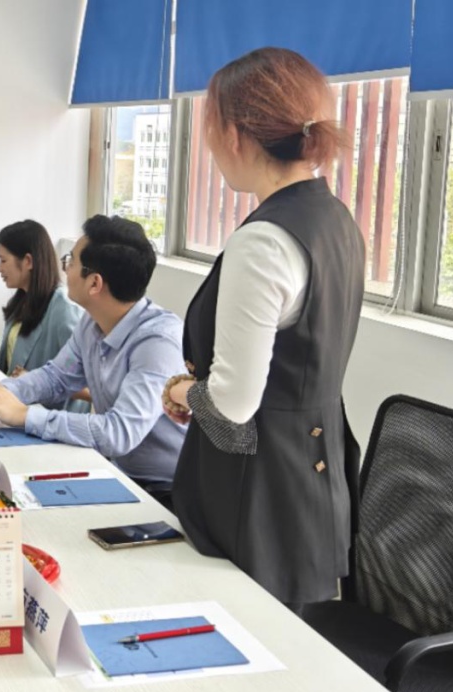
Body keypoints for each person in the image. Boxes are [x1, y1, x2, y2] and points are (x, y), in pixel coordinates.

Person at [163, 47, 364, 607]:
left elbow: (232, 406)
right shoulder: (335, 218)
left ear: (234, 134)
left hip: (259, 493)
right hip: (317, 478)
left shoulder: (263, 241)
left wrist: (181, 390)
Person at [0, 215, 187, 501]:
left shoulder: (157, 343)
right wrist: (5, 391)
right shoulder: (91, 323)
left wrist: (25, 415)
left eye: (71, 261)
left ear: (94, 283)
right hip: (120, 472)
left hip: (169, 492)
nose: (65, 269)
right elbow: (56, 377)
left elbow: (118, 433)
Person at [0, 219, 82, 378]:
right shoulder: (21, 301)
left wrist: (32, 378)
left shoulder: (64, 309)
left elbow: (79, 376)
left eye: (3, 260)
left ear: (28, 261)